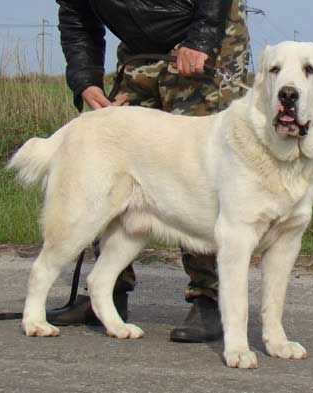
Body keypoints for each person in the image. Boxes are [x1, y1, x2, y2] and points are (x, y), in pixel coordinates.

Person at [48, 0, 249, 343]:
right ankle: (109, 292)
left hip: (208, 32)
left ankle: (210, 298)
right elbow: (76, 18)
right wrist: (85, 80)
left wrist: (200, 40)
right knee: (112, 159)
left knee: (197, 171)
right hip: (141, 48)